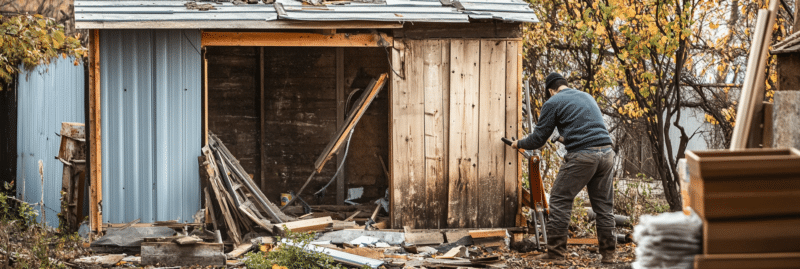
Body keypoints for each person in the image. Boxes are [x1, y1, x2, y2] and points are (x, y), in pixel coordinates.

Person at [510, 72, 616, 264]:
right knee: (603, 207)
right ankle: (609, 255)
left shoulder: (553, 102)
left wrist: (518, 143)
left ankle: (556, 254)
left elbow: (537, 139)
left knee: (559, 200)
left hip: (583, 156)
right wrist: (561, 138)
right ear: (564, 84)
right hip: (607, 153)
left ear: (551, 90)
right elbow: (588, 131)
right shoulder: (586, 96)